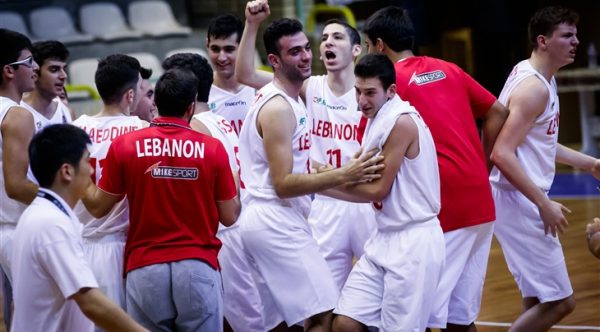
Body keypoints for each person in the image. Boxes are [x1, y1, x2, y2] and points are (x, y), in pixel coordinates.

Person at [236, 4, 383, 330]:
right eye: (323, 38)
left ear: (357, 49)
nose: (323, 45)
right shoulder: (305, 89)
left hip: (352, 196)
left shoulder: (371, 93)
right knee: (321, 310)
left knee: (372, 294)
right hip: (320, 200)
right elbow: (245, 74)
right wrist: (251, 24)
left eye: (336, 37)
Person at [363, 7, 508, 331]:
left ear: (380, 45)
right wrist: (479, 163)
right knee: (461, 317)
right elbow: (498, 111)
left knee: (423, 316)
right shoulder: (449, 69)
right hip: (481, 203)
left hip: (445, 207)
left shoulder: (388, 86)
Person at [83, 68, 240, 331]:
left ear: (155, 103)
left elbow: (98, 207)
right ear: (191, 107)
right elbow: (230, 215)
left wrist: (79, 177)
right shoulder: (213, 149)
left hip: (144, 269)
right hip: (197, 265)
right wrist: (234, 178)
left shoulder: (124, 146)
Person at [490, 6, 600, 330]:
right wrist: (543, 203)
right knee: (562, 301)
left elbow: (541, 145)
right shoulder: (534, 89)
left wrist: (590, 163)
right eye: (567, 35)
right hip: (517, 199)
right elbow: (501, 153)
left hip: (513, 197)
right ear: (543, 41)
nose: (575, 41)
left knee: (537, 299)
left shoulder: (538, 77)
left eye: (575, 34)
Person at [327, 52, 444, 332]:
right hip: (383, 238)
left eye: (370, 92)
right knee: (344, 323)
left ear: (391, 91)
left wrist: (324, 184)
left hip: (413, 242)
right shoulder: (376, 118)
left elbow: (378, 190)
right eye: (357, 91)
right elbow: (359, 171)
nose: (361, 100)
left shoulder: (401, 121)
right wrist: (329, 174)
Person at [162, 51, 263, 331]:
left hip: (222, 233)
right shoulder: (219, 120)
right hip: (236, 225)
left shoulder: (194, 128)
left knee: (242, 323)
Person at [11, 123, 146, 332]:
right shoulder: (51, 223)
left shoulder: (40, 214)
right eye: (86, 162)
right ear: (67, 171)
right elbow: (89, 301)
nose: (92, 169)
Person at [72, 54, 146, 314]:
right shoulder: (141, 130)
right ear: (129, 95)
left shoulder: (75, 129)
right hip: (124, 246)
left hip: (79, 244)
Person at [0, 30, 39, 326]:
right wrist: (64, 203)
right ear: (9, 71)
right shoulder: (18, 115)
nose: (35, 67)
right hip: (16, 230)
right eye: (29, 61)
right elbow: (16, 186)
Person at [206, 14, 255, 136]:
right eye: (215, 49)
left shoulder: (260, 88)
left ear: (243, 47)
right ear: (207, 46)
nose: (221, 58)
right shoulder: (200, 92)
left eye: (229, 49)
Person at [21, 40, 76, 126]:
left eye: (64, 69)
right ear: (35, 72)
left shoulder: (67, 112)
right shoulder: (16, 112)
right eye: (54, 69)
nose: (64, 76)